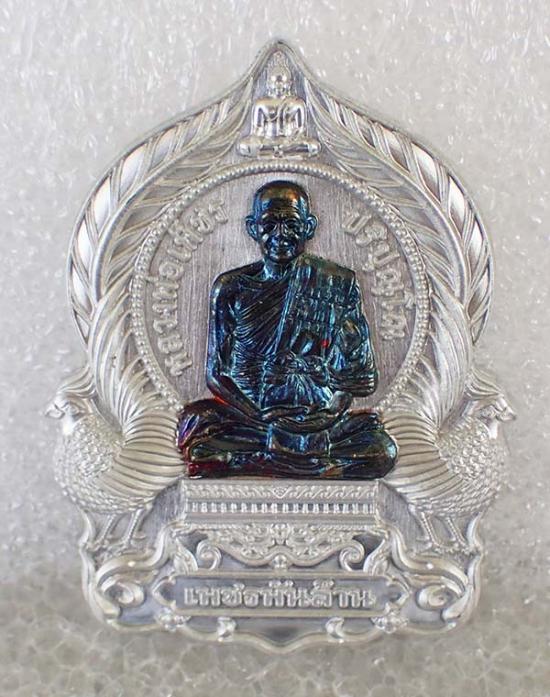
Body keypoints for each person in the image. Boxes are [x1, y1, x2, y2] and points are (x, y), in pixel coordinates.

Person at [177, 181, 397, 479]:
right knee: (197, 425)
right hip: (255, 418)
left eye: (291, 225)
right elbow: (217, 375)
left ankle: (261, 461)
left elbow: (355, 375)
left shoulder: (337, 283)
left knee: (382, 450)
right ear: (253, 228)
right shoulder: (231, 288)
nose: (280, 235)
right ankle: (313, 463)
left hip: (320, 419)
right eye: (270, 225)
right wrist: (261, 415)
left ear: (309, 227)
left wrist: (330, 413)